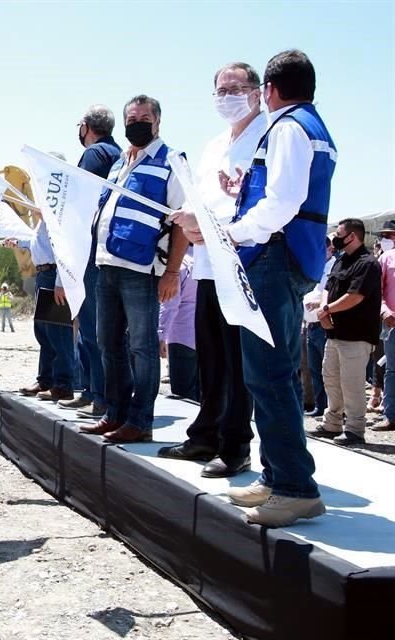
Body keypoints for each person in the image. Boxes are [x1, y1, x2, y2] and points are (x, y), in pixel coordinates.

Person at [173, 49, 336, 526]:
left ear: (268, 89)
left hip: (273, 257)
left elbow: (279, 203)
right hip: (289, 255)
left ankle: (293, 487)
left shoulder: (288, 128)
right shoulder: (312, 125)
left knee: (266, 373)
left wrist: (230, 233)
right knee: (274, 372)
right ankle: (278, 473)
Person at [158, 62, 266, 477]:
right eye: (221, 90)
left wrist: (213, 228)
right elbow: (201, 201)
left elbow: (260, 203)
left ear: (257, 91)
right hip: (206, 267)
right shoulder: (213, 145)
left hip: (242, 264)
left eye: (236, 88)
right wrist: (187, 219)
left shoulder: (267, 137)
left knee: (238, 362)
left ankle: (236, 445)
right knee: (212, 358)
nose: (228, 97)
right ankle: (205, 435)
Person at [78, 95, 188, 444]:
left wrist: (171, 272)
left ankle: (141, 421)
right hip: (107, 264)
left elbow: (182, 221)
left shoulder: (171, 161)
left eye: (144, 117)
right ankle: (115, 413)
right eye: (131, 117)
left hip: (141, 268)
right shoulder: (119, 163)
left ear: (157, 122)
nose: (136, 122)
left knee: (142, 346)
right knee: (108, 343)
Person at [56, 105, 122, 413]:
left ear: (86, 127)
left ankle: (100, 397)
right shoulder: (118, 153)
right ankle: (91, 390)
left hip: (91, 252)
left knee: (93, 328)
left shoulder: (95, 155)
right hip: (107, 252)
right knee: (93, 329)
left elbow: (82, 205)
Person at [7, 152, 76, 403]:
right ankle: (46, 379)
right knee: (44, 332)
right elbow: (43, 243)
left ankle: (64, 383)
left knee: (58, 332)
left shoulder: (61, 206)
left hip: (53, 277)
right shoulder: (48, 207)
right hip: (44, 275)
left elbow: (63, 247)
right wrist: (21, 241)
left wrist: (60, 281)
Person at [308, 219, 381, 445]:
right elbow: (327, 289)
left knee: (352, 383)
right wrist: (324, 312)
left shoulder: (367, 263)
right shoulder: (341, 262)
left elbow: (355, 296)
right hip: (334, 332)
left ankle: (355, 429)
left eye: (339, 234)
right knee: (331, 378)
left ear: (352, 236)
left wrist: (327, 309)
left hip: (356, 335)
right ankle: (332, 423)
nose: (336, 238)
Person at [302, 238, 336, 417]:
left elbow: (333, 293)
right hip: (311, 324)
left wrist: (321, 302)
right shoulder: (314, 266)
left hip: (325, 323)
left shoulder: (334, 267)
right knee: (315, 369)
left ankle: (335, 409)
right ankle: (320, 405)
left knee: (329, 370)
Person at [158, 252, 198, 401]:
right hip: (205, 334)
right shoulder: (205, 260)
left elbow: (169, 304)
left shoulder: (179, 265)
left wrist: (161, 334)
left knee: (183, 395)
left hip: (180, 336)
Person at [372, 220, 395, 432]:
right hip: (392, 322)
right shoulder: (386, 258)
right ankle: (391, 415)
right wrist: (384, 310)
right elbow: (377, 290)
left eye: (390, 235)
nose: (387, 239)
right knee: (392, 369)